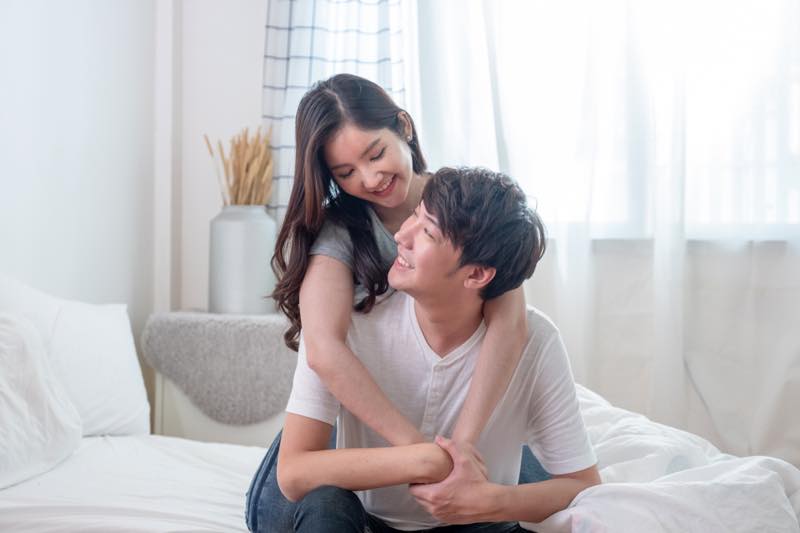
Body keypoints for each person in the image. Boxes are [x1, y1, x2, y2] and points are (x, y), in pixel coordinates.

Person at [267, 167, 600, 532]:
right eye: (415, 215)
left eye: (427, 232)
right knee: (323, 503)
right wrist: (426, 459)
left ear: (477, 275)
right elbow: (294, 473)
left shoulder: (536, 340)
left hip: (478, 525)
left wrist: (491, 501)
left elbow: (583, 485)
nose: (401, 235)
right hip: (367, 521)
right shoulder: (348, 324)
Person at [272, 75, 529, 450]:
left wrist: (462, 444)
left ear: (404, 127)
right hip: (358, 435)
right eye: (346, 173)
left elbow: (509, 323)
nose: (370, 178)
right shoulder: (340, 232)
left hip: (454, 427)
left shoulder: (466, 203)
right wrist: (418, 450)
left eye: (375, 154)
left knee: (530, 478)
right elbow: (323, 350)